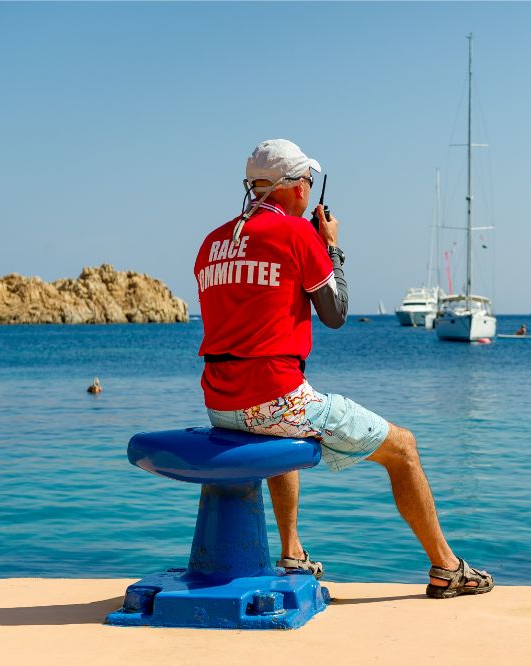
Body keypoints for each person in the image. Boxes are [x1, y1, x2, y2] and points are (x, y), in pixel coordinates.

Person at [193, 139, 493, 599]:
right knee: (404, 449)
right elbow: (335, 313)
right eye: (309, 182)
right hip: (274, 400)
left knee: (280, 425)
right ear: (293, 187)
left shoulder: (212, 243)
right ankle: (446, 568)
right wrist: (330, 247)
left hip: (221, 402)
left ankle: (292, 553)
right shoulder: (297, 235)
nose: (311, 190)